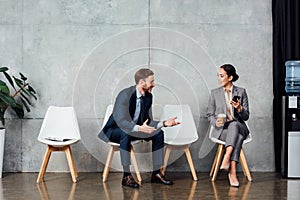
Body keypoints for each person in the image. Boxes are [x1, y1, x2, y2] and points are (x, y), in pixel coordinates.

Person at [98, 68, 180, 188]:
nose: (154, 84)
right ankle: (126, 176)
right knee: (125, 133)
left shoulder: (148, 97)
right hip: (115, 130)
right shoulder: (124, 95)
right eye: (151, 81)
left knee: (159, 133)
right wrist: (139, 128)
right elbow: (121, 121)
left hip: (135, 130)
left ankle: (156, 173)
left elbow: (148, 121)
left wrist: (164, 123)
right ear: (142, 82)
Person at [207, 64, 250, 187]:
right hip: (223, 130)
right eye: (218, 76)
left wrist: (240, 108)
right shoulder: (214, 93)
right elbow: (209, 114)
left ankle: (227, 157)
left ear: (230, 77)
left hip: (239, 126)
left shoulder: (241, 92)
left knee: (235, 125)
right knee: (239, 138)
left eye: (221, 76)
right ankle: (232, 173)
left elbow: (246, 116)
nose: (218, 79)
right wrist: (215, 121)